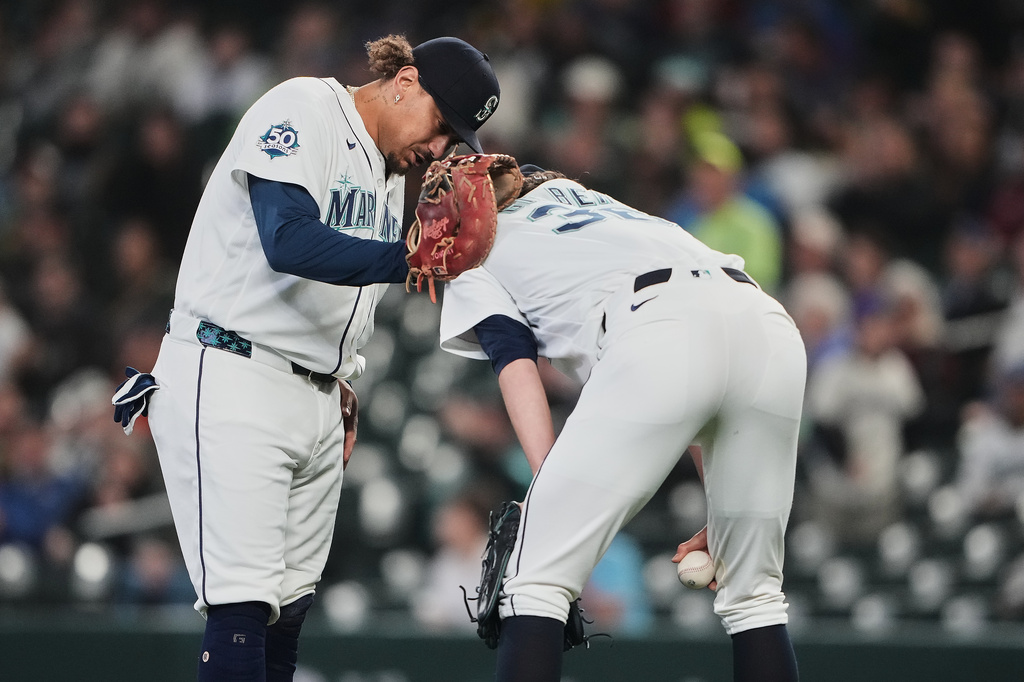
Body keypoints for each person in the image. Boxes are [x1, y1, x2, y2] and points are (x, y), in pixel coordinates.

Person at [112, 34, 501, 681]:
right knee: (242, 605)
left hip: (313, 393)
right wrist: (409, 258)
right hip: (234, 370)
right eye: (441, 125)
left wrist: (339, 376)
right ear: (405, 82)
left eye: (454, 139)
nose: (440, 149)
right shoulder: (302, 107)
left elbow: (340, 295)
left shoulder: (386, 171)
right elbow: (286, 239)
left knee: (287, 615)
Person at [439, 167, 806, 681]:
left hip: (657, 325)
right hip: (766, 324)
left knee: (534, 580)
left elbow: (516, 364)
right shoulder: (596, 203)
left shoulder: (473, 244)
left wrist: (548, 492)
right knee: (755, 595)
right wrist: (720, 504)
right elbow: (706, 350)